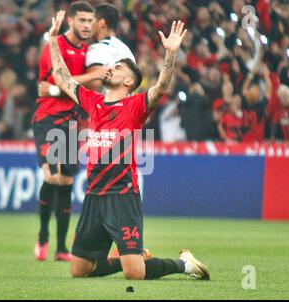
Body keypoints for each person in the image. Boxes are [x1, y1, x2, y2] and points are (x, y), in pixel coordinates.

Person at [48, 11, 210, 280]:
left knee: (134, 274)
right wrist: (53, 40)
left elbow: (161, 86)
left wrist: (170, 54)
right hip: (94, 195)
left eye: (119, 68)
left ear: (128, 82)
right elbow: (63, 79)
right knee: (79, 270)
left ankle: (184, 264)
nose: (110, 69)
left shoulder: (135, 106)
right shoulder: (94, 102)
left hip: (123, 196)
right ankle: (124, 257)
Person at [33, 1, 106, 262]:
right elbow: (63, 83)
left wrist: (65, 86)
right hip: (49, 119)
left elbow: (93, 85)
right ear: (71, 21)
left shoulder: (89, 51)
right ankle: (42, 236)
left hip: (74, 122)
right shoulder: (55, 46)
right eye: (82, 20)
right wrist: (92, 76)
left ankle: (61, 248)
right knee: (51, 177)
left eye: (90, 21)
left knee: (65, 181)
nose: (87, 25)